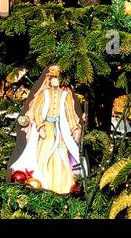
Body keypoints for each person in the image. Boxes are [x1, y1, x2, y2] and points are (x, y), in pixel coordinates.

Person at [9, 66, 83, 194]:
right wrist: (40, 126)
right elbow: (37, 111)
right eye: (53, 78)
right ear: (49, 79)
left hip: (60, 131)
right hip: (46, 128)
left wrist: (75, 128)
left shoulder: (66, 95)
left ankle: (60, 187)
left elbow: (70, 113)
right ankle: (42, 183)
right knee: (43, 153)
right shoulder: (44, 94)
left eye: (57, 79)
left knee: (61, 156)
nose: (55, 81)